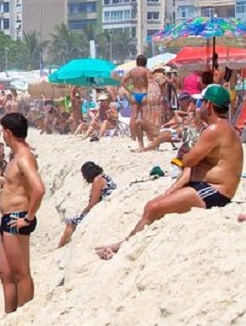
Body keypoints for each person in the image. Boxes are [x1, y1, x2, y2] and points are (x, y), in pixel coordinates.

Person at [97, 85, 243, 259]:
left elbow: (188, 161)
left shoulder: (215, 129)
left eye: (200, 103)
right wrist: (169, 191)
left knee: (153, 207)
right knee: (154, 204)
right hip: (204, 186)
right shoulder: (218, 128)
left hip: (216, 191)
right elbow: (190, 167)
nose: (198, 106)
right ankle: (126, 242)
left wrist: (188, 153)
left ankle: (122, 247)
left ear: (209, 105)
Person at [0, 113, 45, 313]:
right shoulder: (18, 156)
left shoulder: (24, 157)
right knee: (6, 274)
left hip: (18, 218)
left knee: (21, 273)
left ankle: (25, 314)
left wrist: (29, 218)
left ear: (8, 133)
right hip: (8, 219)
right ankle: (10, 315)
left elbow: (38, 188)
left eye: (2, 132)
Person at [57, 162, 117, 248]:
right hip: (105, 204)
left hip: (100, 208)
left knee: (70, 222)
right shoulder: (104, 176)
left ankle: (60, 246)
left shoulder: (97, 180)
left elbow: (93, 202)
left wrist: (84, 211)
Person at [122, 55, 153, 149]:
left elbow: (123, 81)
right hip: (144, 93)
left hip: (134, 94)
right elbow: (151, 81)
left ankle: (133, 136)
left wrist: (129, 90)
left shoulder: (132, 71)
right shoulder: (146, 70)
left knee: (133, 116)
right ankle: (149, 136)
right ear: (145, 62)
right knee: (146, 116)